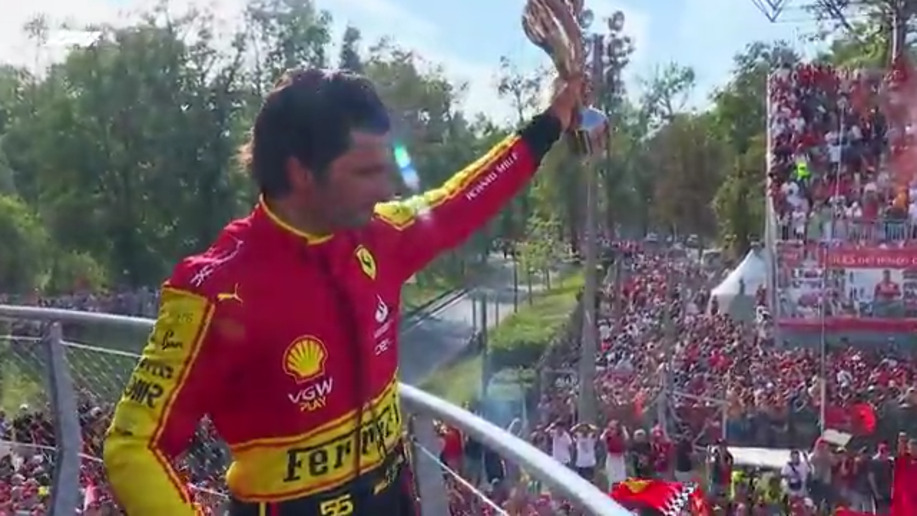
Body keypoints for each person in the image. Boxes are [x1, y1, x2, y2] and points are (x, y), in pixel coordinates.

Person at [102, 67, 584, 516]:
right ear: (301, 173)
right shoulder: (217, 290)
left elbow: (463, 199)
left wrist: (549, 124)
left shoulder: (379, 234)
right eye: (365, 172)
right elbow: (133, 446)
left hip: (394, 493)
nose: (385, 188)